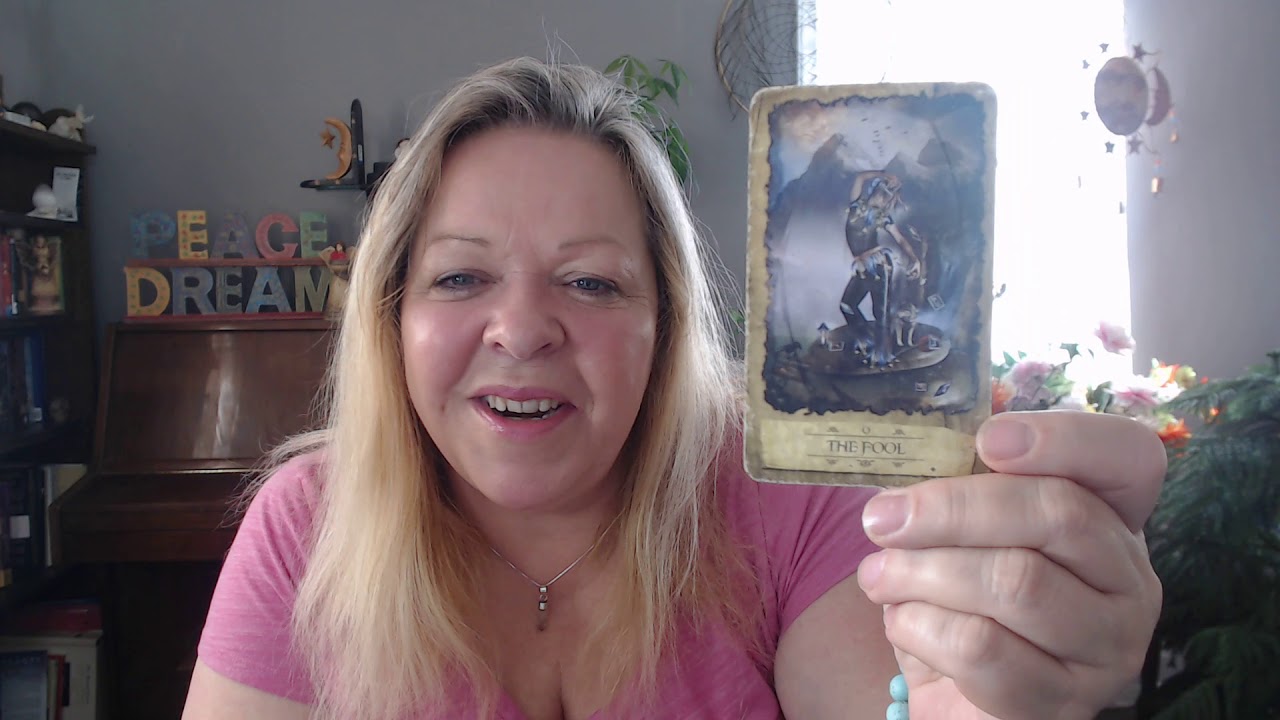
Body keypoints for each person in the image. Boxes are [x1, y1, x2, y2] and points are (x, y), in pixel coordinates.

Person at [182, 57, 1165, 720]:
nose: (521, 328)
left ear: (665, 327)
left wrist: (984, 692)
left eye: (589, 283)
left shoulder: (787, 500)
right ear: (391, 317)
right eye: (460, 276)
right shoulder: (305, 528)